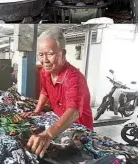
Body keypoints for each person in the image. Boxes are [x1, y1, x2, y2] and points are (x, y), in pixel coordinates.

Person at [26, 29, 93, 157]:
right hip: (59, 121)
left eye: (50, 54)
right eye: (40, 54)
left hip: (79, 128)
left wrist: (49, 134)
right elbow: (45, 90)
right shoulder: (45, 72)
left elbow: (74, 112)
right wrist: (37, 110)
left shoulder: (74, 78)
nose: (44, 60)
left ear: (63, 53)